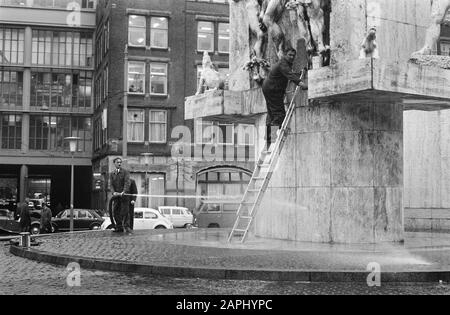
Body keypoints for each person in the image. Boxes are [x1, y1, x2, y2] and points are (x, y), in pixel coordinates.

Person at [261, 48, 307, 148]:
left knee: (271, 113)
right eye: (289, 55)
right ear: (285, 55)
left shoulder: (285, 64)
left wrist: (299, 74)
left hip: (268, 88)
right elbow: (289, 74)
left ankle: (268, 137)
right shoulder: (283, 63)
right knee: (279, 114)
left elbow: (289, 73)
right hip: (273, 89)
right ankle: (272, 136)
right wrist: (301, 83)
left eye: (293, 55)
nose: (291, 57)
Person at [109, 157, 131, 234]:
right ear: (114, 163)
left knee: (125, 212)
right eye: (117, 162)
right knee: (115, 212)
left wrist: (124, 191)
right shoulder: (112, 174)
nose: (119, 164)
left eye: (120, 162)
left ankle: (127, 227)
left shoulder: (125, 172)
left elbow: (127, 182)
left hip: (124, 196)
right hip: (116, 197)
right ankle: (119, 227)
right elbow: (111, 184)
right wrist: (113, 192)